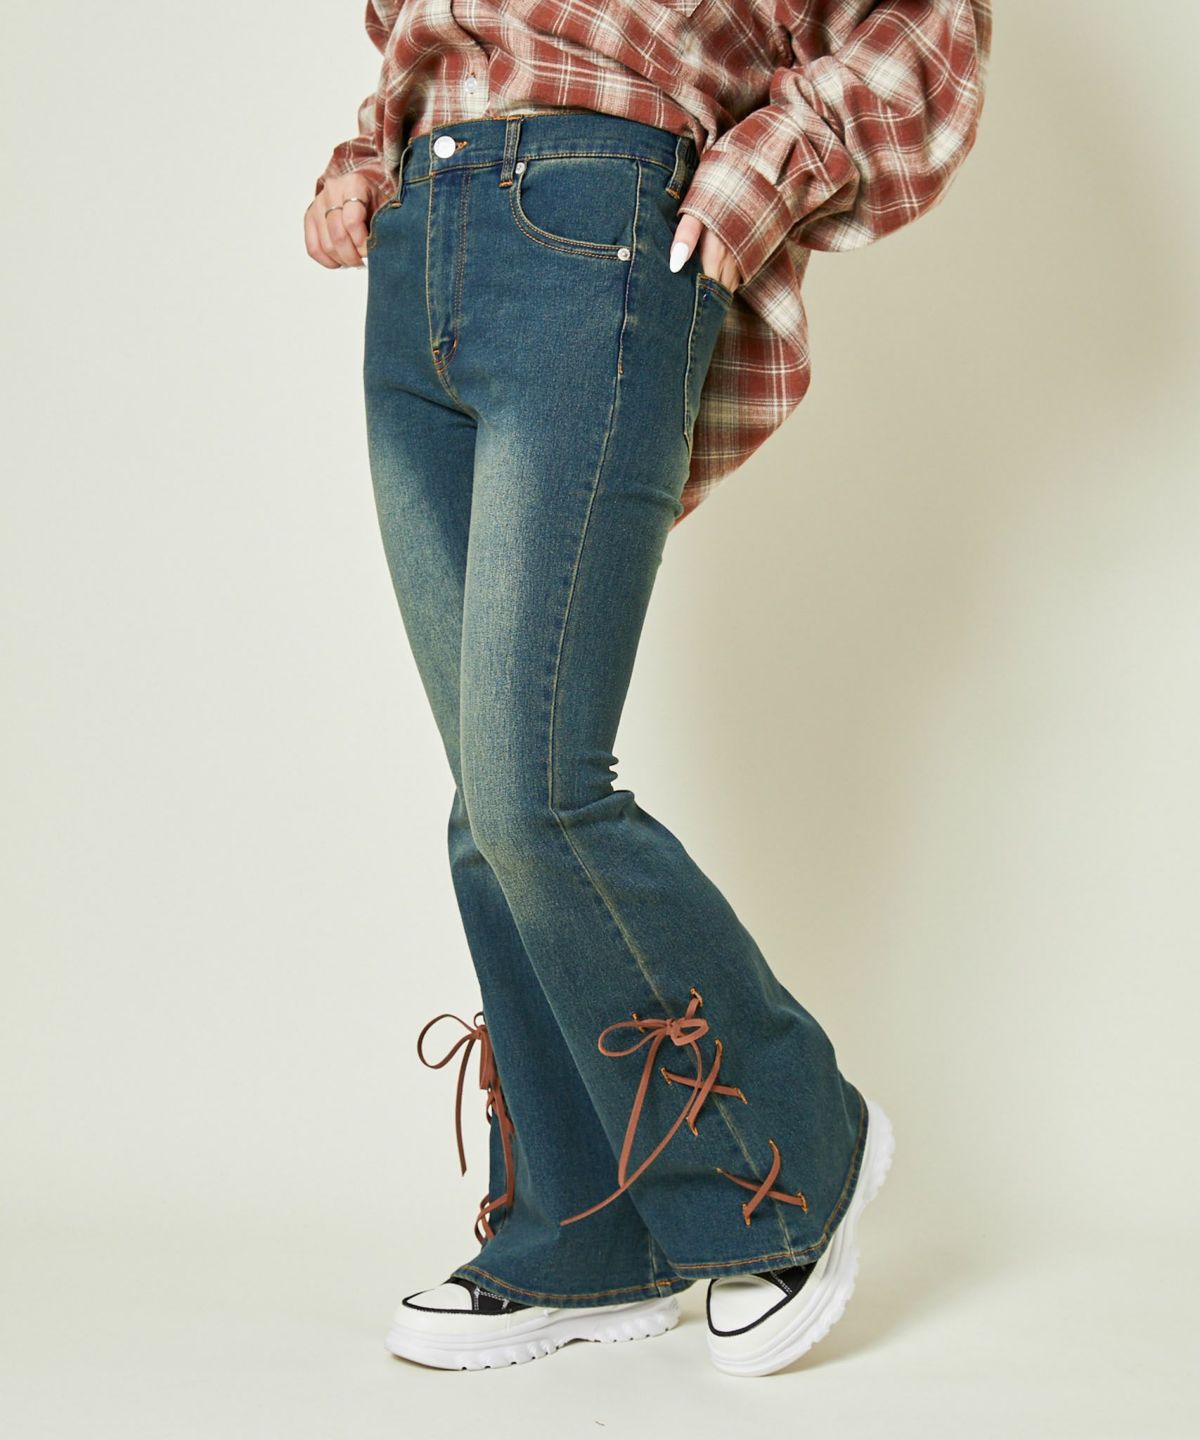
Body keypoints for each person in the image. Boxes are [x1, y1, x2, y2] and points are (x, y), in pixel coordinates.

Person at [305, 0, 991, 1377]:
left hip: (595, 222)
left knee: (539, 793)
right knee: (487, 806)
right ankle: (585, 1233)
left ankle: (793, 1145)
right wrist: (370, 153)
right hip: (418, 244)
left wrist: (772, 161)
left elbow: (929, 30)